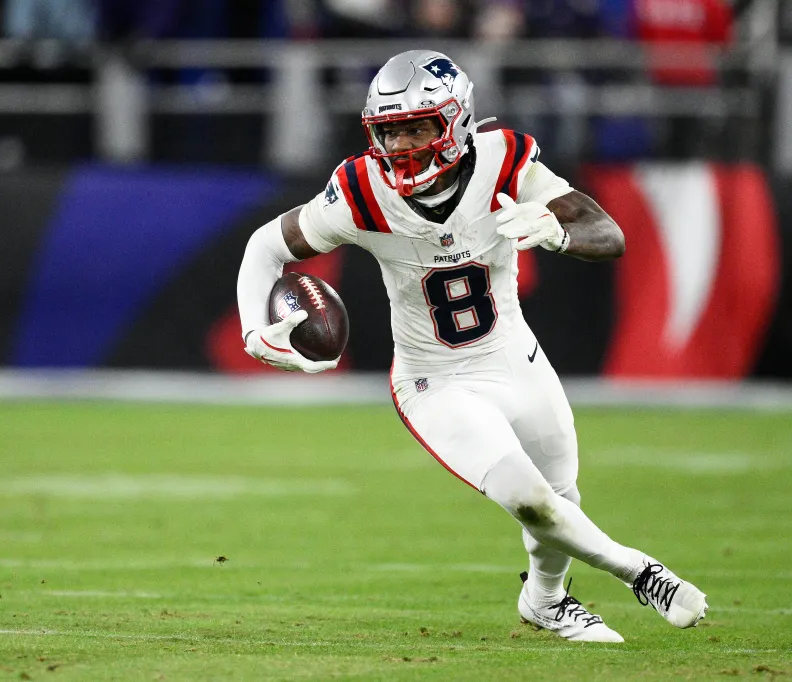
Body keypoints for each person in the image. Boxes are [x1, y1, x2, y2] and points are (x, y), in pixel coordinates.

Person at [236, 50, 708, 643]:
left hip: (514, 356)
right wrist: (254, 329)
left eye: (417, 127)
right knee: (531, 500)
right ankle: (642, 573)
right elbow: (266, 247)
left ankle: (546, 601)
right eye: (390, 131)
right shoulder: (360, 190)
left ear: (457, 121)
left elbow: (607, 233)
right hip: (435, 381)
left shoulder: (504, 160)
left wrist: (559, 232)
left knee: (562, 496)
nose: (401, 145)